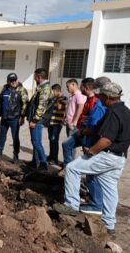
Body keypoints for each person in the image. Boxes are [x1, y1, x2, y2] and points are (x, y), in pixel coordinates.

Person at [54, 82, 130, 235]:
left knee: (72, 168)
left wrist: (92, 151)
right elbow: (97, 128)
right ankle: (109, 224)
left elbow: (107, 139)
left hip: (108, 155)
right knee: (109, 188)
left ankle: (71, 205)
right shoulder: (125, 111)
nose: (99, 97)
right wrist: (85, 132)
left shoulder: (113, 113)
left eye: (101, 95)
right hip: (120, 158)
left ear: (108, 97)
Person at [79, 77, 111, 215]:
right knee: (99, 176)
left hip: (93, 144)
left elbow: (95, 128)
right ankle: (100, 202)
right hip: (98, 144)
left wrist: (89, 146)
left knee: (92, 175)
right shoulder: (107, 105)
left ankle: (96, 204)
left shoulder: (99, 106)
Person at [62, 78, 106, 167]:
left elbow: (93, 123)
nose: (80, 88)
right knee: (66, 144)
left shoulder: (95, 102)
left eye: (81, 86)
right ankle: (68, 167)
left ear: (87, 87)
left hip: (87, 133)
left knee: (87, 155)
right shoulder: (88, 99)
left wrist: (88, 142)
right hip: (82, 130)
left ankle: (75, 171)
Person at [0, 73, 28, 164]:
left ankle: (16, 155)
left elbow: (25, 104)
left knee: (15, 138)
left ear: (17, 80)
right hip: (5, 118)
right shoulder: (5, 90)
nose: (13, 82)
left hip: (15, 119)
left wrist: (22, 117)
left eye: (15, 80)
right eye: (11, 81)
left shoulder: (22, 90)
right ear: (8, 81)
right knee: (2, 137)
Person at [26, 68, 53, 170]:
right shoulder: (41, 87)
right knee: (34, 141)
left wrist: (34, 120)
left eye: (35, 76)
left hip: (37, 120)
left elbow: (41, 106)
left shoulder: (45, 88)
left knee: (37, 142)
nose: (34, 78)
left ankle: (43, 163)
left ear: (39, 77)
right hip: (35, 119)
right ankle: (35, 162)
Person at [47, 84, 67, 165]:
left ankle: (54, 159)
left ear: (57, 91)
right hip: (51, 122)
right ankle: (51, 156)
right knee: (51, 140)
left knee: (54, 140)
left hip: (57, 123)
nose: (52, 93)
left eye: (53, 92)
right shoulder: (53, 98)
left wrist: (57, 99)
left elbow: (59, 107)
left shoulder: (64, 98)